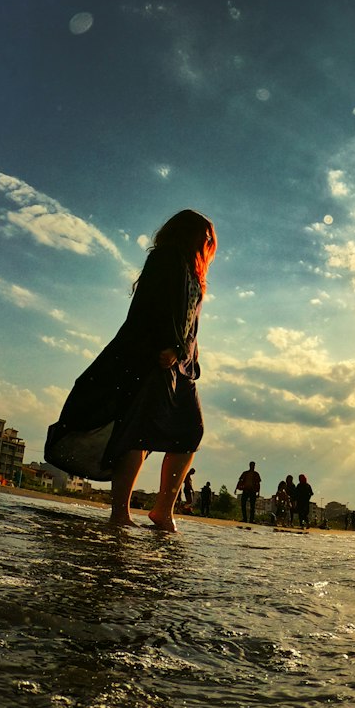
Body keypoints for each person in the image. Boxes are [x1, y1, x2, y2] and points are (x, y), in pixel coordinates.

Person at [45, 209, 217, 532]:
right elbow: (151, 307)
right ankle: (120, 513)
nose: (208, 240)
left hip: (182, 365)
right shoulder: (166, 257)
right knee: (138, 432)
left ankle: (162, 511)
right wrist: (164, 346)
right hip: (154, 358)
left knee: (190, 431)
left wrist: (190, 359)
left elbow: (190, 324)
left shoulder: (195, 274)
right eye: (204, 233)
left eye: (211, 237)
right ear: (186, 232)